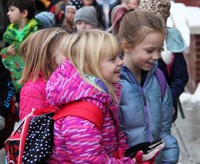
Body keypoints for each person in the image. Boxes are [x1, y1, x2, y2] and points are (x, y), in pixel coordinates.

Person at [45, 29, 163, 163]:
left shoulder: (98, 99)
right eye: (112, 59)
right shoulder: (82, 115)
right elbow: (91, 161)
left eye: (119, 56)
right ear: (88, 65)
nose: (121, 62)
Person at [109, 5, 179, 163]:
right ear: (127, 47)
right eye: (149, 51)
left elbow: (165, 130)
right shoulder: (111, 83)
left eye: (160, 49)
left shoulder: (159, 78)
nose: (156, 56)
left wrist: (169, 155)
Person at [138, 0, 189, 122]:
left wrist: (168, 100)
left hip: (165, 112)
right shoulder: (134, 42)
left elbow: (180, 77)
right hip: (138, 111)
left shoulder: (172, 44)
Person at [0, 0, 42, 114]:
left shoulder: (37, 31)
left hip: (32, 78)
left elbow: (38, 55)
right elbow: (4, 52)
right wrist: (6, 52)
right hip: (12, 81)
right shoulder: (9, 32)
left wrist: (16, 55)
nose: (8, 13)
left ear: (24, 13)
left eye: (12, 10)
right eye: (8, 10)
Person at [18, 27, 68, 121]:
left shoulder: (65, 79)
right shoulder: (33, 90)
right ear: (48, 57)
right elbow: (31, 129)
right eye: (66, 50)